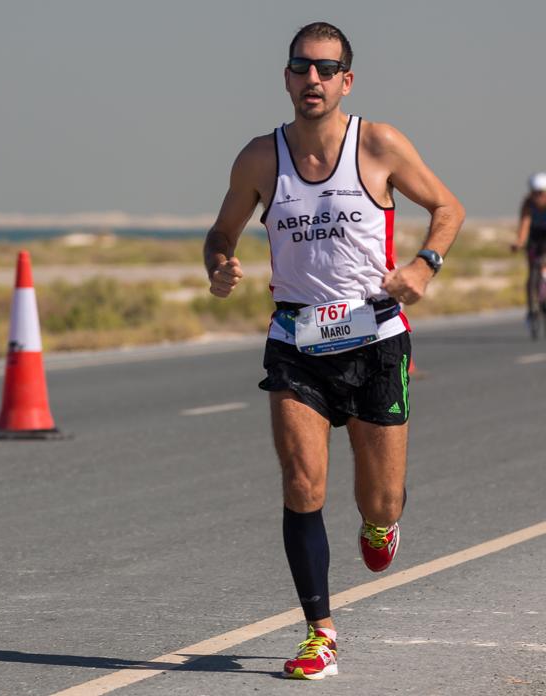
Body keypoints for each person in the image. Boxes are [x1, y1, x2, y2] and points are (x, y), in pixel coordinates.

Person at [202, 22, 464, 680]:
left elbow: (448, 207)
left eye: (326, 69)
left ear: (346, 80)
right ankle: (320, 631)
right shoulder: (261, 159)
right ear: (286, 78)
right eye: (300, 67)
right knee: (301, 484)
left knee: (380, 500)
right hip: (296, 342)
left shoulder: (377, 144)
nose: (311, 79)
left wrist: (426, 264)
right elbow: (220, 231)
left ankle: (382, 525)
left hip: (376, 338)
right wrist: (221, 264)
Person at [511, 173, 546, 339]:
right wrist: (519, 242)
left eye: (540, 193)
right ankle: (532, 307)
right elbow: (524, 224)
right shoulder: (528, 203)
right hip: (535, 237)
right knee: (532, 271)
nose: (537, 196)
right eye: (534, 192)